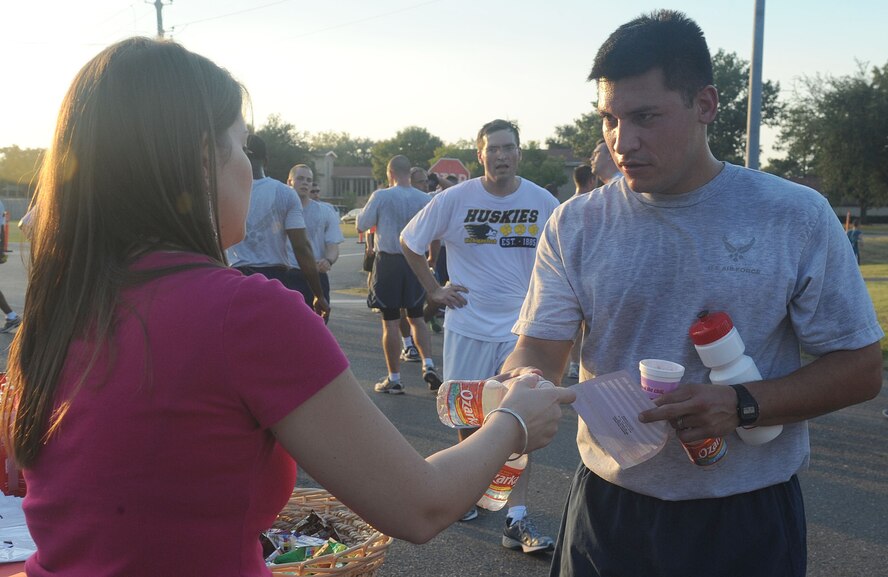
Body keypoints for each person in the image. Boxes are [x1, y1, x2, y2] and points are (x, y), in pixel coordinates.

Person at [0, 37, 575, 577]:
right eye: (243, 147)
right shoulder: (244, 314)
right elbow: (418, 507)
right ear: (204, 161)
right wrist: (515, 420)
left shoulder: (55, 310)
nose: (251, 168)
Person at [502, 11, 883, 577]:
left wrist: (742, 405)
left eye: (645, 116)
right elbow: (540, 348)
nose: (621, 141)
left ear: (705, 105)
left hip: (745, 519)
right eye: (609, 118)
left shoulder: (793, 215)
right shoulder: (574, 224)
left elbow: (860, 368)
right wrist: (519, 382)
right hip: (609, 511)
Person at [401, 119, 560, 551]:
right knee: (470, 416)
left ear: (520, 153)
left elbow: (563, 256)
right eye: (494, 149)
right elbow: (409, 240)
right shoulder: (455, 198)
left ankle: (517, 518)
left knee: (520, 420)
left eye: (509, 148)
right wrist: (434, 290)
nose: (502, 155)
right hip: (468, 325)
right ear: (480, 155)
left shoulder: (542, 201)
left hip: (520, 330)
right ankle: (468, 494)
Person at [357, 155, 441, 393]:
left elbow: (362, 224)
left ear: (390, 172)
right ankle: (429, 364)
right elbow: (436, 232)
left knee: (391, 322)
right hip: (415, 261)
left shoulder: (382, 196)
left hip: (389, 262)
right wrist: (431, 258)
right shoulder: (424, 199)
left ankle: (394, 378)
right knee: (417, 317)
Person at [227, 135, 330, 319]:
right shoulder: (284, 193)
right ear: (266, 161)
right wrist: (318, 293)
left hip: (235, 277)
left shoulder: (223, 191)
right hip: (274, 277)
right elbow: (301, 247)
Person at [286, 164, 344, 310]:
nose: (305, 182)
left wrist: (329, 260)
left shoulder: (325, 212)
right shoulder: (279, 210)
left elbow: (333, 245)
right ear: (289, 182)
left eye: (308, 180)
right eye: (300, 178)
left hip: (316, 275)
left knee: (319, 325)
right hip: (288, 274)